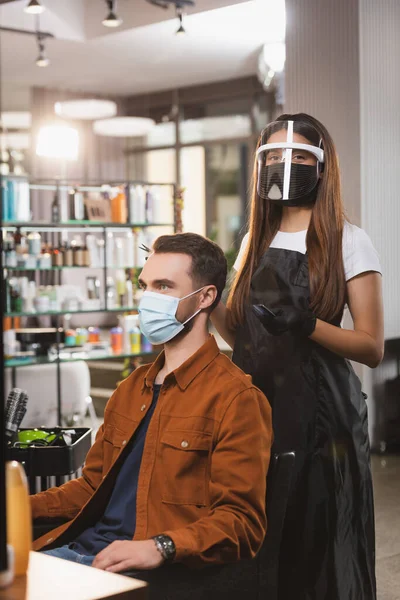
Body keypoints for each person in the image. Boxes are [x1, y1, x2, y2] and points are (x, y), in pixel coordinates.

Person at [211, 113, 383, 600]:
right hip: (256, 416)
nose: (286, 165)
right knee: (264, 546)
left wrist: (308, 325)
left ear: (322, 167)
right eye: (274, 157)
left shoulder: (349, 240)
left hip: (324, 424)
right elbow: (236, 332)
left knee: (318, 548)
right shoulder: (253, 241)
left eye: (300, 156)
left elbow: (370, 346)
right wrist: (203, 300)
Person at [31, 232, 272, 576]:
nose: (148, 299)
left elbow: (241, 523)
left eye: (163, 286)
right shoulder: (132, 388)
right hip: (77, 553)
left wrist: (160, 546)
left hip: (141, 574)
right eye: (145, 286)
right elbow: (89, 488)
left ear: (205, 297)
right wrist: (16, 507)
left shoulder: (236, 399)